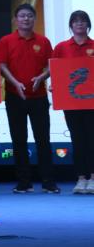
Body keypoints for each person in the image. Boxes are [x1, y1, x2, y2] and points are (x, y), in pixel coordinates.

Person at [0, 3, 58, 194]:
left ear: (34, 19)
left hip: (39, 97)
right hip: (15, 96)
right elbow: (1, 66)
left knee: (43, 139)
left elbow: (52, 66)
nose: (26, 19)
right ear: (16, 19)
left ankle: (48, 182)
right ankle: (24, 182)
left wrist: (41, 77)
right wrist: (15, 83)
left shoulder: (44, 41)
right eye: (22, 16)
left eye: (30, 16)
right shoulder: (6, 41)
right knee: (18, 140)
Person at [52, 10, 94, 194]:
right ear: (71, 25)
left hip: (92, 103)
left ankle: (92, 177)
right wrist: (55, 85)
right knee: (77, 139)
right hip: (71, 103)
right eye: (75, 21)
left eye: (83, 20)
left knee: (91, 139)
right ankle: (81, 178)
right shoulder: (62, 47)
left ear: (88, 24)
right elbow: (56, 70)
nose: (79, 23)